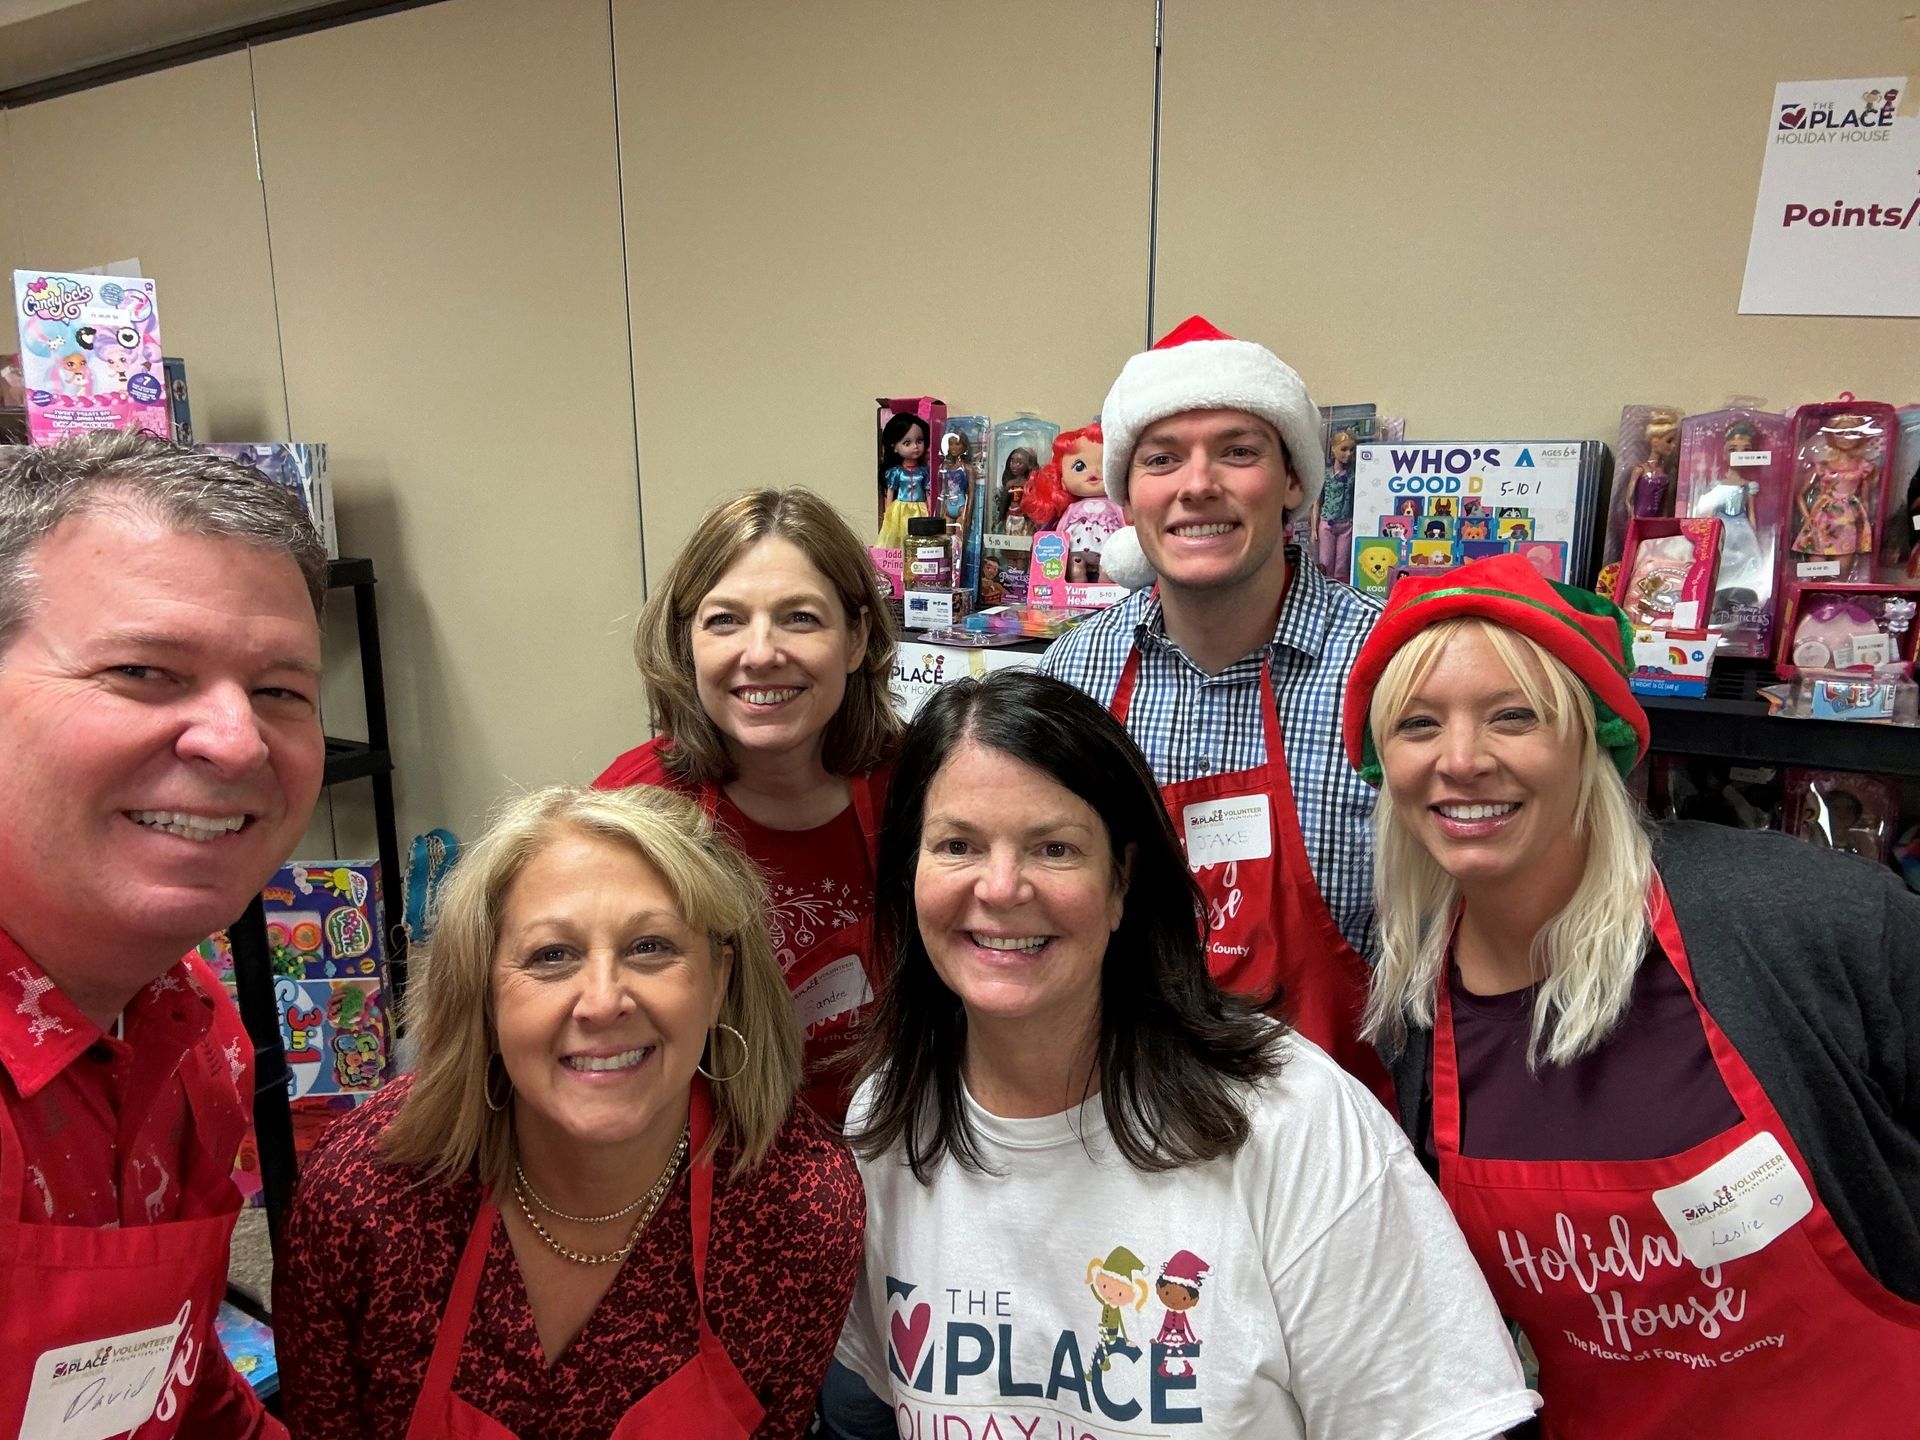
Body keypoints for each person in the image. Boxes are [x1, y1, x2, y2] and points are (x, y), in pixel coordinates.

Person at [831, 669, 1539, 1438]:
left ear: (1121, 883)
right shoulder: (890, 1118)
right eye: (958, 844)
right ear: (909, 874)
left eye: (1055, 848)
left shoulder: (1291, 1122)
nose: (1001, 887)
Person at [1341, 551, 1920, 1438]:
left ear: (1594, 736)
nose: (1460, 761)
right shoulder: (1418, 1006)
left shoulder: (1806, 920)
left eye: (1513, 717)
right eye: (1419, 725)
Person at [275, 784, 865, 1439]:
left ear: (719, 979)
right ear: (483, 989)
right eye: (552, 956)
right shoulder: (363, 1194)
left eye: (651, 947)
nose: (603, 1001)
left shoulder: (801, 1206)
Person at [0, 433, 329, 1440]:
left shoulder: (197, 1030)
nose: (236, 740)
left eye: (281, 692)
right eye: (144, 670)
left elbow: (163, 1377)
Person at [1040, 314, 1389, 1099]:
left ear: (1294, 480)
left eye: (1237, 451)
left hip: (1340, 1149)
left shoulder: (1389, 672)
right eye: (1162, 459)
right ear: (1127, 495)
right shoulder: (1076, 675)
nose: (1198, 485)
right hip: (1118, 1120)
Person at [597, 487, 900, 1121]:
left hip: (900, 1144)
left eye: (800, 618)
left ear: (856, 638)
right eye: (725, 620)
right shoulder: (635, 808)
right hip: (712, 1155)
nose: (760, 654)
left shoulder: (920, 783)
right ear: (688, 644)